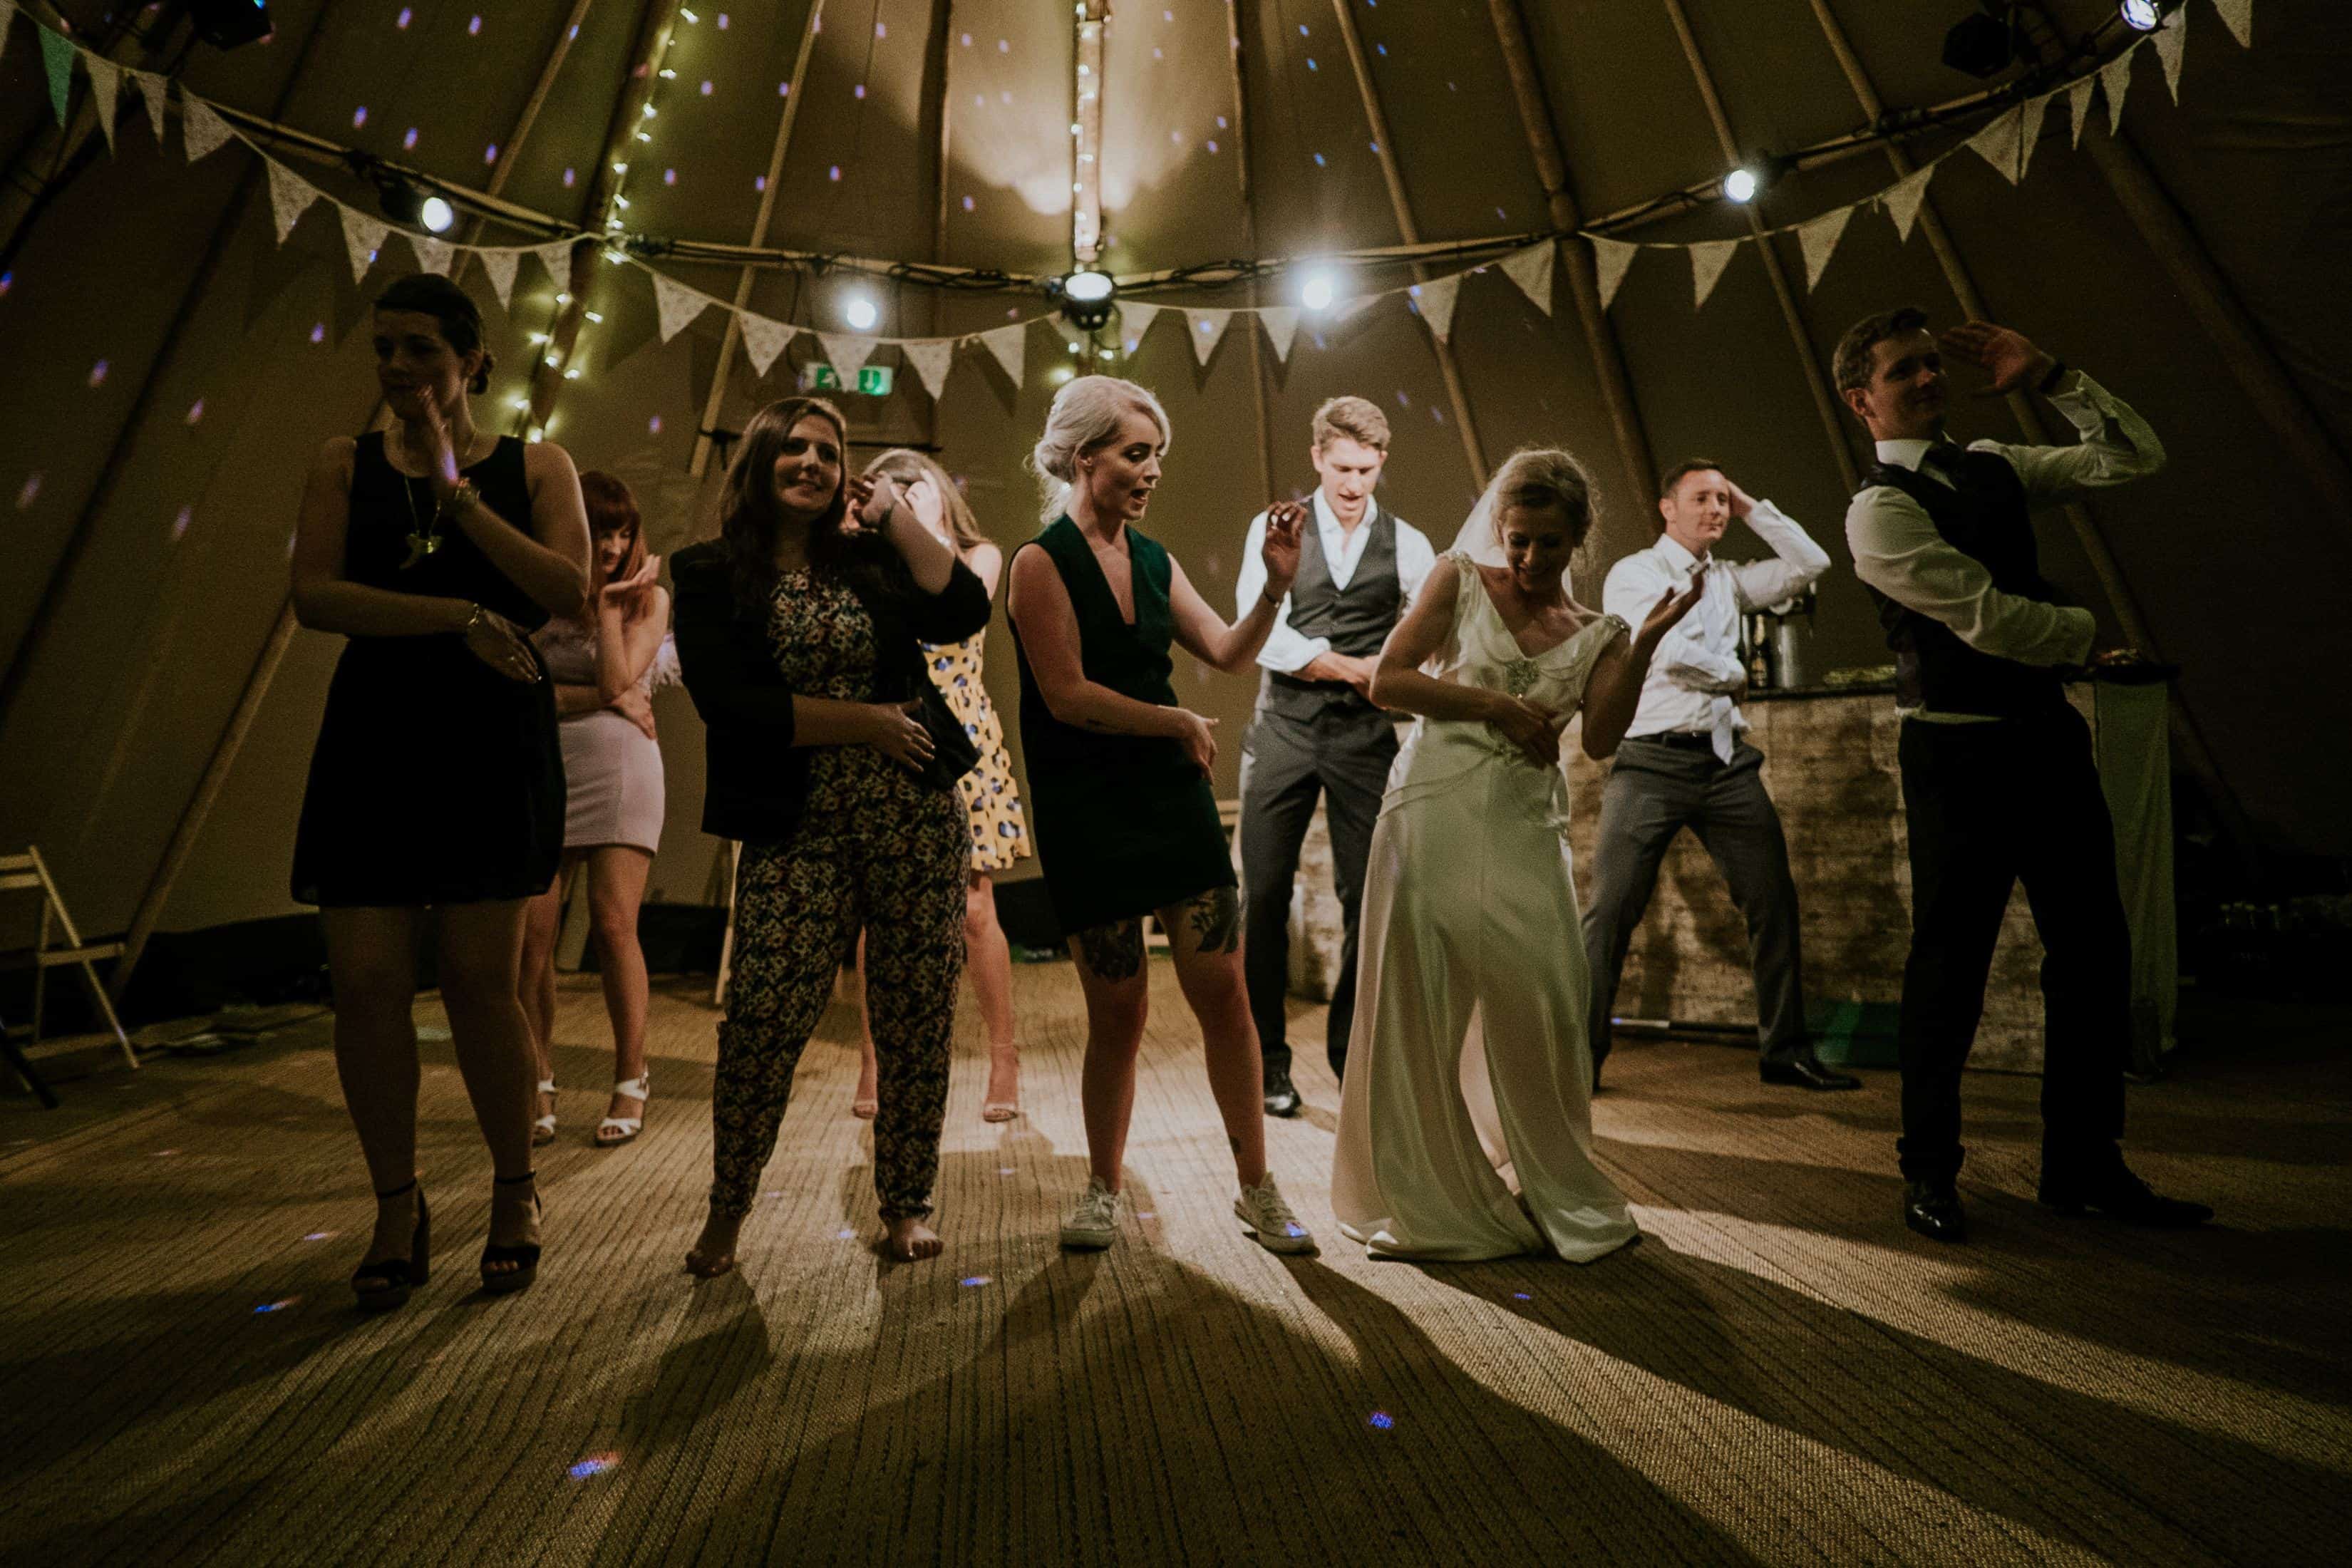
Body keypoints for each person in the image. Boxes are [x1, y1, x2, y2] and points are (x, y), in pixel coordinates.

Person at [1834, 308, 2212, 1243]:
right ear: (1861, 401)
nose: (1928, 379)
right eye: (1904, 370)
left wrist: (2053, 376)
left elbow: (2135, 457)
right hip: (1955, 754)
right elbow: (1994, 623)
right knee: (1949, 967)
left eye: (1932, 364)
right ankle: (1928, 1173)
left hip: (2045, 738)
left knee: (2093, 951)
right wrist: (2079, 628)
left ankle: (2083, 1164)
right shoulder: (1878, 509)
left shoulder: (1996, 462)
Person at [288, 272, 590, 1308]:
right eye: (385, 350)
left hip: (489, 738)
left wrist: (461, 495)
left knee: (477, 980)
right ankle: (394, 1205)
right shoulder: (343, 461)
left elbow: (566, 590)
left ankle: (514, 1190)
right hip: (376, 734)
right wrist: (454, 616)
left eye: (421, 349)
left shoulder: (538, 465)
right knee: (367, 983)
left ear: (473, 364)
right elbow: (315, 595)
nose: (400, 370)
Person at [1331, 448, 1701, 1262]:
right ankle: (1432, 1198)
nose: (1529, 559)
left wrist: (1641, 648)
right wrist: (1495, 704)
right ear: (1500, 530)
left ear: (1580, 542)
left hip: (1528, 829)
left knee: (1548, 1002)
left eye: (1548, 544)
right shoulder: (1459, 579)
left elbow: (1601, 739)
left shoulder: (1598, 632)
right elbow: (1389, 681)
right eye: (1518, 539)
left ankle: (1542, 1179)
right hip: (1430, 811)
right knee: (1419, 1007)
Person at [671, 397, 990, 1273]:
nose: (812, 462)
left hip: (912, 819)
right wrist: (867, 723)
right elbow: (730, 707)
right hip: (793, 824)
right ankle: (728, 1207)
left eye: (828, 450)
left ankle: (906, 1203)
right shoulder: (703, 571)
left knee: (916, 1013)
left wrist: (891, 513)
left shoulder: (871, 560)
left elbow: (964, 609)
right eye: (795, 447)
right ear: (762, 458)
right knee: (764, 1014)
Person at [1004, 375, 1316, 1256]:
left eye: (1158, 456)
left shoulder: (1154, 556)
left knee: (1224, 996)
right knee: (1121, 1013)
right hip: (1089, 806)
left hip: (1171, 799)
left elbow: (1223, 651)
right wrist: (1175, 720)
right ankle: (1103, 1187)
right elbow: (1065, 697)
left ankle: (1256, 1186)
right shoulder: (1039, 562)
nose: (1152, 471)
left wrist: (1273, 590)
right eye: (1137, 454)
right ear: (1083, 455)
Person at [1580, 461, 1855, 1093]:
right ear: (1665, 509)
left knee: (1773, 902)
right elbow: (1665, 650)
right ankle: (1581, 1056)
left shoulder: (1728, 580)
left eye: (1722, 500)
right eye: (1701, 498)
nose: (1716, 509)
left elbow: (1813, 564)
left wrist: (1752, 503)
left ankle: (1784, 1051)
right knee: (1611, 910)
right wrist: (1734, 672)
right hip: (1651, 760)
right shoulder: (1636, 573)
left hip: (1725, 762)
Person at [1234, 396, 1436, 1117]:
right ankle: (1267, 1064)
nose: (1354, 484)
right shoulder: (1275, 526)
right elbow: (1267, 636)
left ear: (1382, 463)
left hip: (1362, 739)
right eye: (1343, 467)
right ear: (1317, 457)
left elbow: (1428, 632)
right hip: (1282, 727)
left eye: (1368, 469)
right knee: (1261, 893)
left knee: (1372, 896)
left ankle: (1354, 1055)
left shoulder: (1409, 543)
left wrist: (1402, 669)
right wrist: (1360, 668)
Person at [840, 448, 1031, 1125]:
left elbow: (965, 609)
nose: (906, 503)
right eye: (893, 496)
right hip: (894, 727)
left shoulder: (980, 555)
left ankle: (1003, 1057)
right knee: (875, 915)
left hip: (965, 740)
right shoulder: (872, 566)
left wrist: (922, 523)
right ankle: (872, 1058)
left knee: (977, 911)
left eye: (917, 491)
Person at [520, 471, 671, 1150]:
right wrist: (601, 697)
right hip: (539, 763)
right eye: (599, 531)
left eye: (622, 532)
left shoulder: (648, 600)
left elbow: (620, 681)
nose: (612, 545)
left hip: (619, 764)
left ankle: (631, 1078)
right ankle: (536, 1079)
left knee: (614, 927)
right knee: (532, 941)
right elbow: (523, 692)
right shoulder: (534, 594)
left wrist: (611, 609)